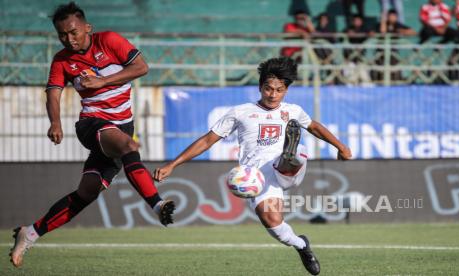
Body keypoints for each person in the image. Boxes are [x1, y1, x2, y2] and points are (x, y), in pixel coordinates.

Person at [9, 2, 175, 267]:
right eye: (62, 34)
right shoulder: (62, 60)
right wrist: (55, 123)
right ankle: (157, 205)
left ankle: (29, 233)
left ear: (88, 28)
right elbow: (53, 93)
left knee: (87, 192)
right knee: (129, 148)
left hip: (122, 126)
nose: (69, 39)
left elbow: (141, 67)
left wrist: (102, 81)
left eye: (73, 32)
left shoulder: (109, 41)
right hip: (92, 124)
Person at [154, 57, 352, 275]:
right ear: (260, 88)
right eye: (268, 89)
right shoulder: (240, 112)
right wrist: (173, 164)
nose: (273, 94)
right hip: (256, 177)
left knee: (294, 155)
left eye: (279, 90)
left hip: (288, 168)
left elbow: (314, 127)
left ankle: (291, 151)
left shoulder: (292, 111)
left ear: (286, 91)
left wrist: (340, 146)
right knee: (274, 224)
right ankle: (301, 245)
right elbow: (207, 141)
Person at [373, 9, 415, 82]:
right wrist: (383, 20)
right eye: (390, 16)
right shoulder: (381, 24)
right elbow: (382, 32)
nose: (392, 18)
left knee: (395, 71)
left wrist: (401, 31)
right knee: (380, 72)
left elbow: (413, 32)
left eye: (394, 16)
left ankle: (396, 80)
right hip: (381, 53)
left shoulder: (398, 25)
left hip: (393, 53)